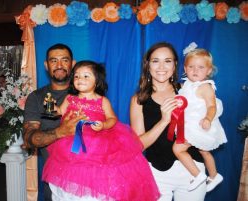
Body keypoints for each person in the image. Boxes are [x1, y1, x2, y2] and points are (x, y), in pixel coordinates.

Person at [44, 60, 160, 201]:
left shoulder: (102, 100)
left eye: (86, 76)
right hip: (72, 139)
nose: (80, 79)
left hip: (98, 142)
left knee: (94, 171)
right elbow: (60, 112)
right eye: (77, 76)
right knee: (73, 169)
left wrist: (104, 125)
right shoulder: (70, 98)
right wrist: (51, 107)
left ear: (97, 81)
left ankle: (91, 192)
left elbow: (112, 119)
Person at [130, 42, 206, 201]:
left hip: (192, 171)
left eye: (168, 60)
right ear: (147, 65)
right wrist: (164, 120)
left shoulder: (190, 90)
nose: (161, 66)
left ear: (175, 65)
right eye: (155, 61)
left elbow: (208, 124)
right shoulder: (139, 99)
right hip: (156, 173)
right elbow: (138, 145)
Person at [23, 43, 78, 201]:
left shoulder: (87, 92)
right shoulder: (37, 98)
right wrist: (60, 132)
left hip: (89, 177)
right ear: (46, 65)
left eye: (64, 60)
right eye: (54, 61)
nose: (59, 65)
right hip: (55, 181)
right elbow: (28, 139)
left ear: (72, 64)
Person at [172, 48, 227, 192]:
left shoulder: (205, 87)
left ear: (209, 70)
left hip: (200, 124)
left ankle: (198, 175)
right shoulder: (185, 85)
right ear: (185, 68)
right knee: (204, 151)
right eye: (191, 67)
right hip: (189, 124)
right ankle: (214, 175)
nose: (195, 70)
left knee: (178, 149)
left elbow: (212, 106)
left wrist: (208, 118)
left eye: (201, 67)